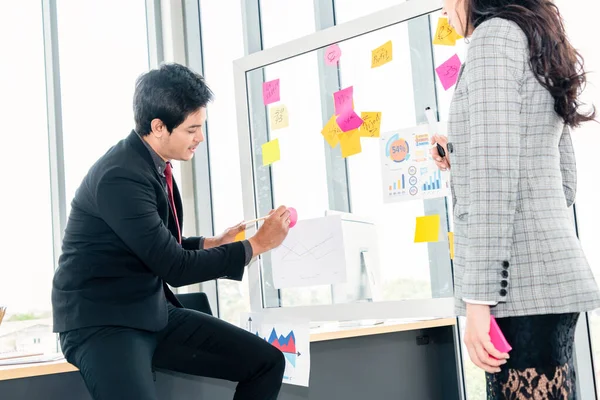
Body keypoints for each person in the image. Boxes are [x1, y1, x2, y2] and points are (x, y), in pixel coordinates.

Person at [52, 63, 291, 400]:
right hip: (104, 322)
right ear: (159, 126)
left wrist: (212, 243)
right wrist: (256, 245)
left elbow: (158, 246)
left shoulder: (152, 165)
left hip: (150, 311)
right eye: (192, 129)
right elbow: (175, 267)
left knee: (267, 362)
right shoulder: (120, 176)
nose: (200, 138)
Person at [431, 0, 600, 398]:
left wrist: (478, 300)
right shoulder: (538, 42)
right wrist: (465, 160)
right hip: (552, 283)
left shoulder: (494, 38)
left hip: (517, 293)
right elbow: (562, 184)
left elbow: (494, 175)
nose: (442, 10)